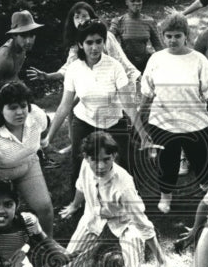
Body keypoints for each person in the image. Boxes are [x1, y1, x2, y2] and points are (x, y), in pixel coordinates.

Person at [54, 132, 172, 267]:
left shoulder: (124, 185)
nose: (100, 166)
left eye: (106, 159)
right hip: (94, 217)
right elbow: (81, 186)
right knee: (67, 264)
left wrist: (161, 259)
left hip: (126, 223)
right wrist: (75, 205)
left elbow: (143, 224)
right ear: (86, 157)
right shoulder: (85, 166)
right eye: (94, 160)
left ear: (114, 157)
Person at [137, 12, 208, 214]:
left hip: (195, 124)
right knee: (166, 164)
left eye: (177, 35)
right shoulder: (156, 59)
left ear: (186, 35)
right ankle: (165, 197)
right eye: (168, 36)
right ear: (162, 36)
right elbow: (147, 91)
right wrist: (139, 116)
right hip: (163, 124)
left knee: (202, 161)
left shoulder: (199, 60)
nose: (172, 40)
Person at [45, 20, 138, 188]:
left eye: (98, 41)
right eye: (89, 42)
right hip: (84, 120)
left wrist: (142, 133)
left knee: (124, 164)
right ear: (80, 44)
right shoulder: (74, 69)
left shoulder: (115, 66)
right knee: (78, 163)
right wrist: (48, 138)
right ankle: (77, 205)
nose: (94, 47)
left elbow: (128, 104)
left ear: (104, 42)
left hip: (114, 121)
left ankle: (128, 201)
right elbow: (64, 106)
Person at [0, 81, 55, 235]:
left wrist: (43, 144)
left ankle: (48, 244)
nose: (20, 112)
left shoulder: (36, 115)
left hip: (28, 165)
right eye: (12, 107)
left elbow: (44, 130)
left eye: (23, 106)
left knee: (45, 207)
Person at [27, 1, 139, 88]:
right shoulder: (75, 44)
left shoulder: (106, 37)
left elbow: (121, 61)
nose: (81, 20)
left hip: (114, 83)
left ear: (92, 18)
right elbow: (68, 68)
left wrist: (138, 79)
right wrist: (48, 76)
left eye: (84, 16)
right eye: (77, 17)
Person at [0, 10, 43, 108]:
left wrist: (25, 94)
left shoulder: (21, 49)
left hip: (9, 94)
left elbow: (12, 75)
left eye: (32, 35)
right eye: (24, 36)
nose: (29, 41)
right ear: (14, 36)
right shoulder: (4, 59)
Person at [108, 0, 162, 73]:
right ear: (127, 2)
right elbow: (108, 39)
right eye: (132, 1)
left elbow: (159, 46)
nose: (136, 3)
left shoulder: (149, 21)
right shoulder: (118, 21)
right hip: (125, 65)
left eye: (139, 0)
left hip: (145, 64)